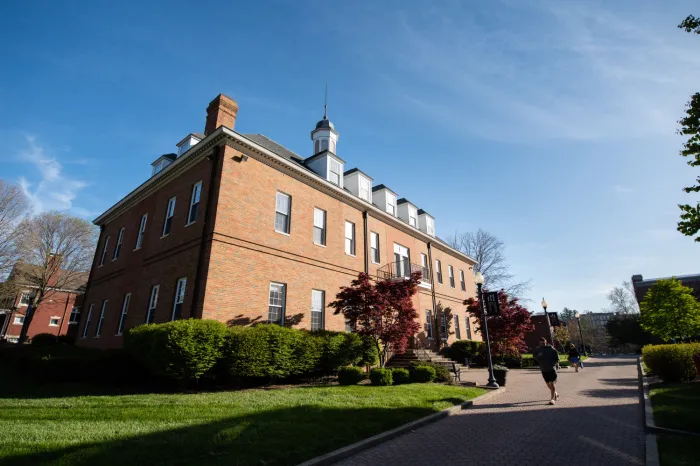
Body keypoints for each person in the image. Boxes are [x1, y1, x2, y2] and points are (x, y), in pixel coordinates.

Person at [533, 337, 560, 405]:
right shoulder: (538, 349)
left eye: (544, 342)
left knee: (552, 383)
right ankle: (555, 393)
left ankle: (552, 399)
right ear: (539, 343)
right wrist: (538, 356)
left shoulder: (551, 349)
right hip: (543, 369)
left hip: (551, 369)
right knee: (548, 384)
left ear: (546, 342)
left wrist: (553, 363)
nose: (542, 344)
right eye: (541, 343)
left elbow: (557, 358)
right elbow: (534, 357)